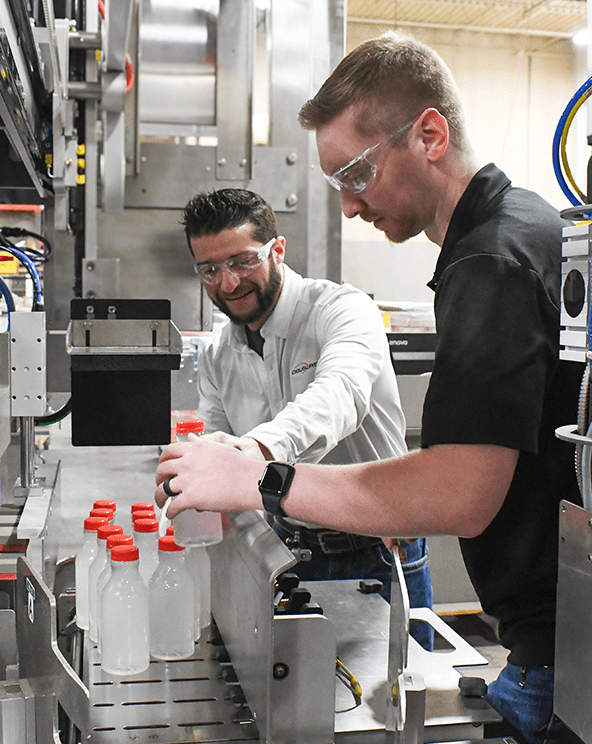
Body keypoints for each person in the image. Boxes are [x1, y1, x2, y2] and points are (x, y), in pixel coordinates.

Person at [156, 31, 592, 744]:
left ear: (429, 134)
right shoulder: (508, 228)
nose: (351, 205)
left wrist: (263, 477)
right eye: (337, 184)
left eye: (357, 172)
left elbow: (461, 495)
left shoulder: (489, 260)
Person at [180, 187, 435, 648]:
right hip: (288, 550)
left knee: (393, 703)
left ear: (277, 249)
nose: (229, 284)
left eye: (242, 261)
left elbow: (341, 394)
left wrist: (256, 452)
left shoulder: (341, 309)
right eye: (210, 270)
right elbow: (214, 434)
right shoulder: (220, 352)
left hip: (378, 549)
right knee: (304, 701)